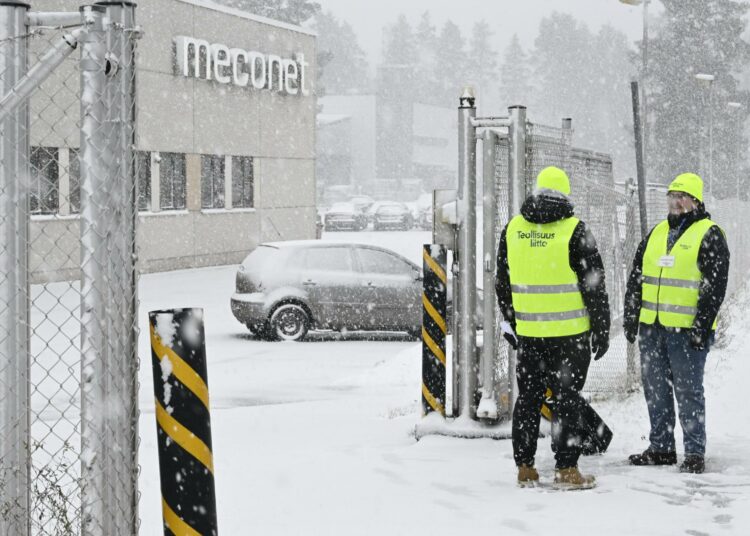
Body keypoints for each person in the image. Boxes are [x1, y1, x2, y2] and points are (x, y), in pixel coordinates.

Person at [496, 166, 611, 490]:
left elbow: (502, 284)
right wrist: (601, 329)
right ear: (565, 194)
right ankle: (566, 469)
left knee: (528, 400)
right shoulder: (575, 230)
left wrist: (510, 321)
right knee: (567, 400)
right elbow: (594, 286)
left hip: (530, 335)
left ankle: (525, 467)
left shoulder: (513, 229)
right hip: (570, 336)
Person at [624, 173, 729, 474]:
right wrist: (632, 315)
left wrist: (702, 326)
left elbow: (714, 286)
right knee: (655, 389)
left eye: (683, 196)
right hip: (652, 327)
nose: (676, 201)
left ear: (696, 201)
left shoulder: (709, 233)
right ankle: (661, 448)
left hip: (686, 332)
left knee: (688, 391)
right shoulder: (656, 233)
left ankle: (694, 453)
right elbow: (637, 277)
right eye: (672, 195)